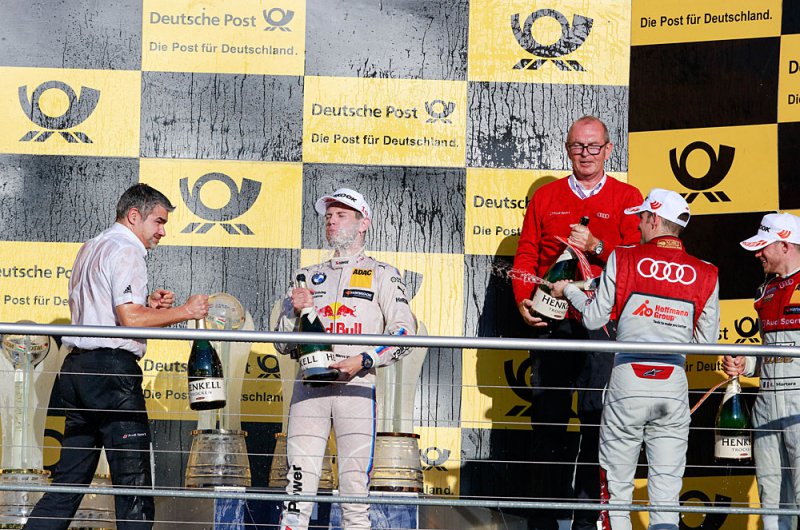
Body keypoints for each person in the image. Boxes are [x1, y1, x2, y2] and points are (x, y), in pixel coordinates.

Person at [23, 184, 209, 530]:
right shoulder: (127, 250)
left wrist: (149, 306)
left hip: (77, 370)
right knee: (133, 484)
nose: (162, 232)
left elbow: (110, 311)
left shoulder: (92, 246)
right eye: (158, 221)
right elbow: (130, 319)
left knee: (67, 483)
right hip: (111, 372)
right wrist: (186, 311)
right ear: (134, 216)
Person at [550, 188, 720, 530]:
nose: (638, 225)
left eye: (642, 218)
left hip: (628, 378)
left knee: (617, 494)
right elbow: (706, 342)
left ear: (654, 218)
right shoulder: (706, 272)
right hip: (672, 380)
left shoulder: (624, 257)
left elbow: (593, 318)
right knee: (666, 495)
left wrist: (567, 290)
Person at [511, 115, 643, 529]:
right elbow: (526, 255)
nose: (585, 154)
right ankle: (543, 522)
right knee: (547, 422)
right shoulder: (546, 196)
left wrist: (598, 245)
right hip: (553, 322)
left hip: (602, 324)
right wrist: (522, 298)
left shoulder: (627, 196)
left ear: (608, 150)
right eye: (577, 147)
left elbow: (637, 261)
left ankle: (588, 522)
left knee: (596, 421)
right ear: (567, 149)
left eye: (593, 147)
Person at [275, 187, 417, 530]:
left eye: (341, 215)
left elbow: (405, 333)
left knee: (354, 487)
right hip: (310, 388)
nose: (331, 221)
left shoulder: (384, 273)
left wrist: (363, 360)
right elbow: (281, 344)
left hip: (356, 387)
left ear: (363, 222)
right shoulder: (306, 275)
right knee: (298, 483)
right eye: (328, 216)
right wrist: (292, 312)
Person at [723, 212, 800, 530]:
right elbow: (770, 350)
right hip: (767, 403)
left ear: (785, 245)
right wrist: (747, 364)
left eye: (763, 247)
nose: (757, 254)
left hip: (798, 403)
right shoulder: (764, 290)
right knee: (771, 494)